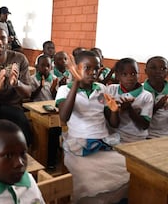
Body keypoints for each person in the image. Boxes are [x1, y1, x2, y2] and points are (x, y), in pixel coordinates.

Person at [55, 50, 129, 203]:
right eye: (87, 68)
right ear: (76, 68)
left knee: (127, 170)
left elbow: (114, 123)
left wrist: (115, 111)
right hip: (78, 144)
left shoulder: (101, 89)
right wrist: (76, 82)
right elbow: (64, 117)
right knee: (89, 180)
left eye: (96, 69)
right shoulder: (65, 90)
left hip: (104, 142)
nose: (93, 72)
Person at [107, 58, 154, 143]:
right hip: (114, 137)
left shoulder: (146, 96)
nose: (130, 78)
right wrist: (116, 110)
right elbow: (113, 124)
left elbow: (144, 125)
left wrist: (129, 109)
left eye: (133, 74)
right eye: (124, 74)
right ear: (117, 76)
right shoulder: (111, 90)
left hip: (136, 139)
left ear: (138, 75)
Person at [143, 56, 168, 138]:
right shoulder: (140, 91)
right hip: (146, 136)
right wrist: (157, 106)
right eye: (153, 68)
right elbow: (140, 121)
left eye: (163, 68)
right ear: (146, 71)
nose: (158, 71)